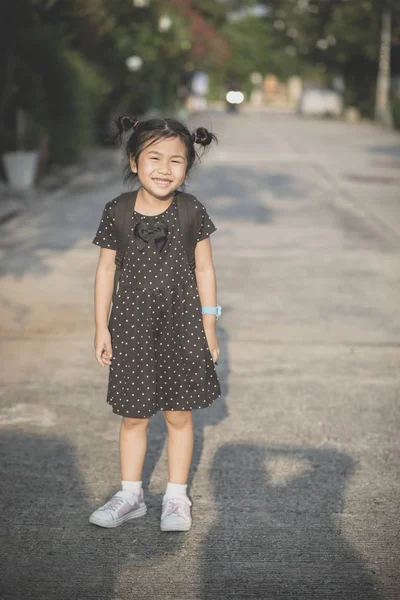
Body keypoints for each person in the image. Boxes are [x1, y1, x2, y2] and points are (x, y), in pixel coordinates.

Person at [89, 116, 222, 532]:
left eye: (176, 161)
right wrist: (100, 326)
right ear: (134, 162)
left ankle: (176, 496)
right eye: (154, 158)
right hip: (130, 327)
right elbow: (105, 271)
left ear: (187, 167)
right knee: (133, 416)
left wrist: (210, 327)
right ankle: (131, 495)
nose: (165, 169)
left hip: (183, 327)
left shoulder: (191, 210)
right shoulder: (117, 211)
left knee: (179, 415)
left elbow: (205, 271)